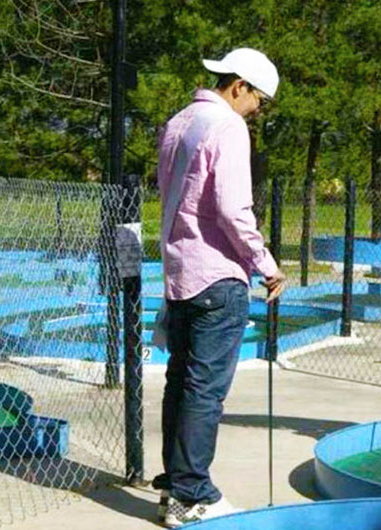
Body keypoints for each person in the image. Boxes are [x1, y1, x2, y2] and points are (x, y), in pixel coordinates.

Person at [152, 48, 286, 527]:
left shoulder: (178, 122)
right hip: (217, 276)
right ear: (239, 87)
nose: (258, 111)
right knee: (205, 391)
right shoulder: (228, 127)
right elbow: (233, 210)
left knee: (181, 385)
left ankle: (175, 486)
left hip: (180, 273)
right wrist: (266, 265)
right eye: (260, 100)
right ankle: (192, 494)